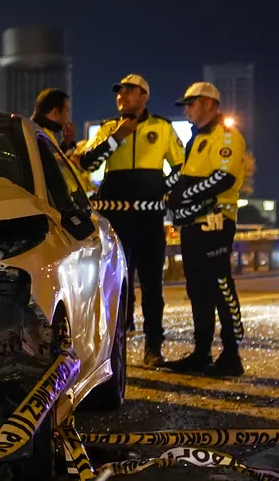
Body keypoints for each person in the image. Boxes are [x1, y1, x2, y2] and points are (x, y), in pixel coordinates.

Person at [76, 74, 185, 366]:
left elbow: (182, 165)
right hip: (117, 218)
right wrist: (117, 137)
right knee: (115, 285)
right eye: (119, 92)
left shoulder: (162, 127)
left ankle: (153, 347)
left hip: (150, 217)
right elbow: (88, 163)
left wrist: (162, 187)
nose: (122, 96)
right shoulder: (109, 128)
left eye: (129, 91)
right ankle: (115, 349)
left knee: (152, 284)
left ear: (144, 96)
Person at [164, 82, 246, 376]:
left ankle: (232, 355)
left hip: (216, 223)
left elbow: (223, 178)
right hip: (193, 225)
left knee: (221, 286)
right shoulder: (195, 139)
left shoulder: (226, 135)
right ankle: (202, 353)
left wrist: (184, 195)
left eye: (191, 103)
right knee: (197, 289)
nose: (186, 109)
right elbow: (185, 177)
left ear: (209, 103)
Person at [32, 88, 91, 191]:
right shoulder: (40, 136)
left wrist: (66, 143)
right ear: (55, 112)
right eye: (66, 112)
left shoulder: (41, 132)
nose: (67, 117)